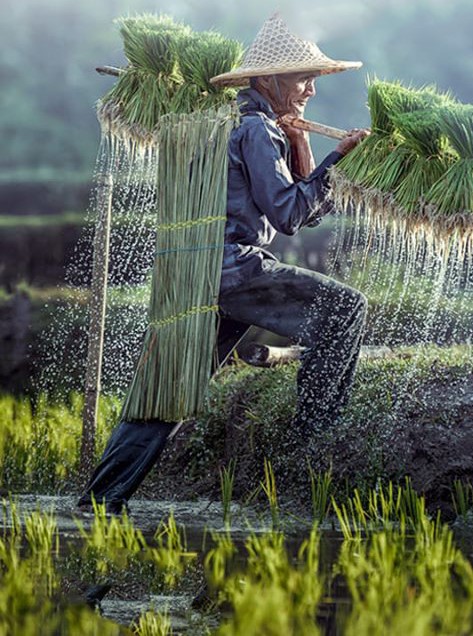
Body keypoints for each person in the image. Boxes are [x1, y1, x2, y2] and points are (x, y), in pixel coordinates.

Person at [79, 14, 369, 513]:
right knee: (344, 309)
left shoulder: (234, 120)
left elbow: (296, 207)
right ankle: (314, 446)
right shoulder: (256, 129)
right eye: (303, 78)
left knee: (167, 394)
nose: (310, 90)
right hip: (237, 271)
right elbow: (289, 214)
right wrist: (335, 163)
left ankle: (99, 501)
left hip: (200, 275)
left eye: (314, 79)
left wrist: (301, 144)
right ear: (268, 80)